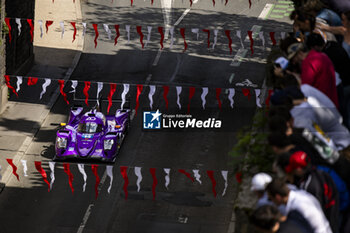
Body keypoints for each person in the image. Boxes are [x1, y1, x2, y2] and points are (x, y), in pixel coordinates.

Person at [276, 151, 340, 232]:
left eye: (293, 169)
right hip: (335, 207)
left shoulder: (310, 186)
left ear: (299, 170)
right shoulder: (319, 171)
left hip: (330, 216)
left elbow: (318, 210)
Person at [266, 178, 333, 233]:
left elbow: (319, 227)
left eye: (270, 199)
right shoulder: (299, 195)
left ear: (278, 197)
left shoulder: (299, 205)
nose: (271, 202)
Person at [286, 42, 339, 107]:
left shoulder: (308, 62)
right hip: (333, 99)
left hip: (323, 104)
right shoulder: (321, 55)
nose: (294, 62)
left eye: (294, 58)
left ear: (299, 53)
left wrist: (296, 77)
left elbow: (305, 88)